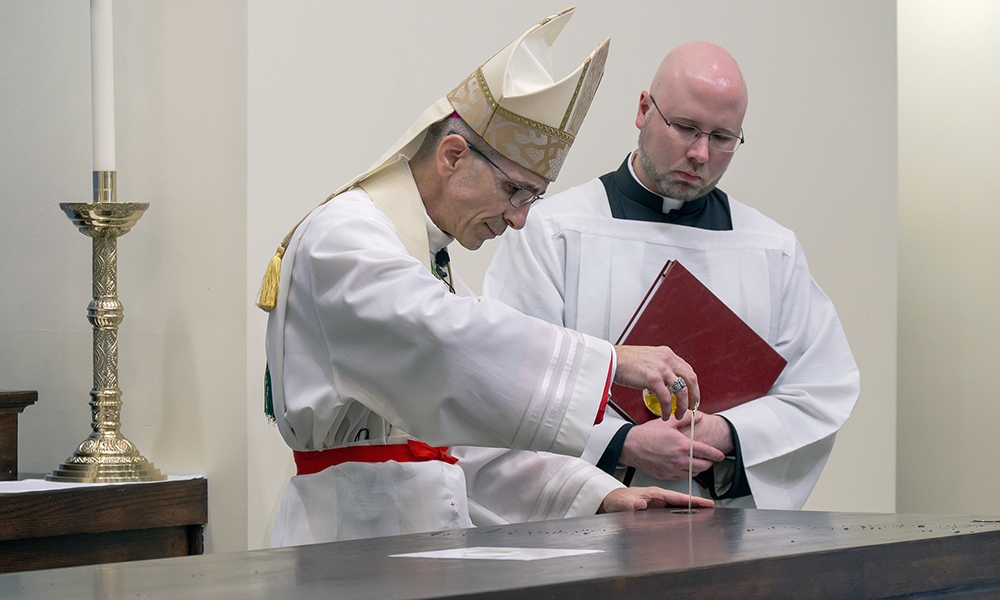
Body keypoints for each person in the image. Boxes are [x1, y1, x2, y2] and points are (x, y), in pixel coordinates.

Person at [258, 10, 713, 547]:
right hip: (343, 548)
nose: (521, 218)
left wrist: (598, 494)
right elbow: (447, 341)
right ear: (453, 155)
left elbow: (468, 445)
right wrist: (612, 361)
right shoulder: (343, 239)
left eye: (533, 198)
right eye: (516, 191)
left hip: (425, 551)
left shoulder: (428, 261)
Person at [484, 41, 860, 510]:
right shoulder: (554, 231)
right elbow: (507, 377)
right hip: (591, 534)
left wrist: (724, 432)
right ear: (643, 110)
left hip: (726, 533)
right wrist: (620, 442)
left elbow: (823, 388)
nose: (701, 153)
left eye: (723, 137)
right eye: (685, 127)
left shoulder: (771, 249)